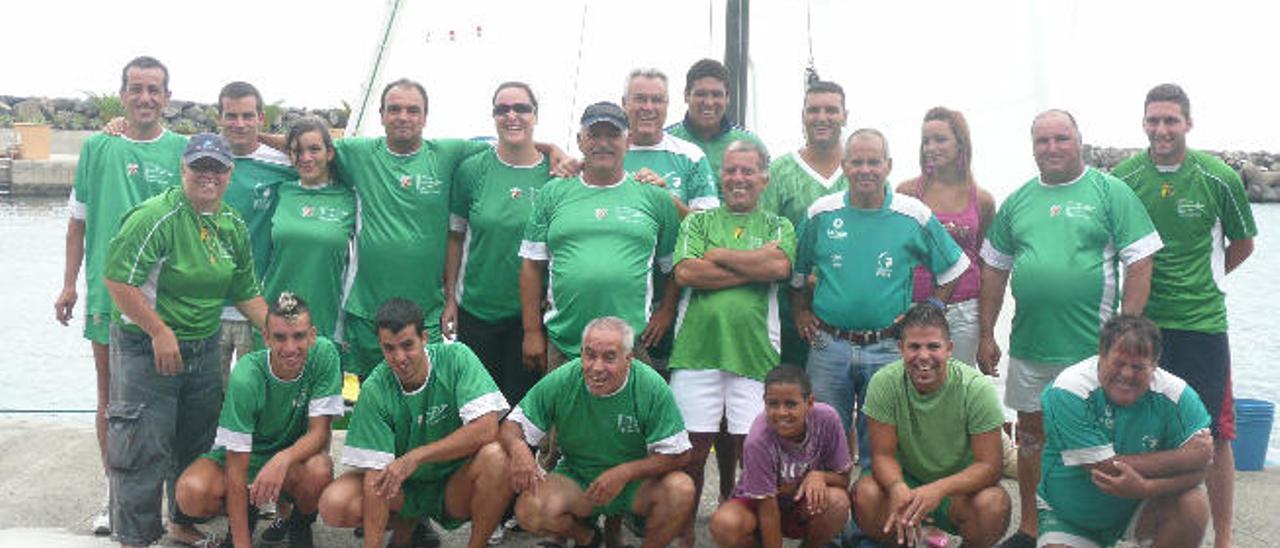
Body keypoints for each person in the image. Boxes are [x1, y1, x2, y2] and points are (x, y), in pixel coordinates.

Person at [979, 110, 1163, 548]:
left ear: (1079, 141)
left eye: (1062, 138)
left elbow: (1140, 261)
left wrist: (1124, 332)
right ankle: (1031, 525)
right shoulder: (1019, 200)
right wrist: (986, 334)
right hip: (1030, 345)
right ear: (1032, 146)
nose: (1052, 148)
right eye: (1042, 141)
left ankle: (1103, 529)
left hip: (1093, 348)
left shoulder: (1109, 191)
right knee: (1030, 439)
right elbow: (993, 269)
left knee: (1102, 439)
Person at [102, 133, 268, 547]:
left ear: (230, 173)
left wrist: (281, 332)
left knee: (195, 442)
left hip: (203, 347)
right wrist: (159, 331)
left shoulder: (231, 224)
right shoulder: (156, 215)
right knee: (143, 446)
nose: (208, 176)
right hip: (146, 346)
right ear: (183, 169)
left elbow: (246, 291)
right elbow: (117, 280)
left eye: (217, 168)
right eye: (200, 167)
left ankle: (180, 521)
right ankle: (135, 536)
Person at [1110, 83, 1257, 548]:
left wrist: (1206, 283)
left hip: (1202, 323)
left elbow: (1243, 243)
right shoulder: (1126, 178)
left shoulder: (1218, 178)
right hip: (1143, 324)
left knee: (1213, 432)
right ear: (1143, 123)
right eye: (1153, 120)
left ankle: (1225, 536)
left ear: (1188, 123)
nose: (1161, 129)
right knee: (1141, 423)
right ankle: (1139, 520)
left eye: (1171, 120)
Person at [53, 55, 187, 535]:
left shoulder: (185, 150)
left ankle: (177, 507)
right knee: (113, 402)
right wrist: (69, 283)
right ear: (123, 95)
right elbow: (77, 222)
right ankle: (115, 498)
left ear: (168, 98)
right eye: (136, 88)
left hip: (171, 304)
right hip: (107, 299)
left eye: (154, 89)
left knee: (174, 405)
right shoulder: (96, 148)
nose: (145, 97)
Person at [792, 129, 969, 466]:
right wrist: (800, 310)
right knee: (821, 444)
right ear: (844, 166)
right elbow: (797, 273)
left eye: (874, 162)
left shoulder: (912, 214)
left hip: (888, 346)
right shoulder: (821, 213)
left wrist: (930, 308)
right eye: (856, 162)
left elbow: (954, 267)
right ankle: (828, 514)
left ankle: (873, 517)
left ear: (888, 166)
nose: (865, 170)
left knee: (882, 448)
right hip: (828, 344)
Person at [668, 141, 795, 546]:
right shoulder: (697, 223)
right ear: (721, 175)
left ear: (763, 178)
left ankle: (751, 531)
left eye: (747, 171)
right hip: (695, 351)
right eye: (731, 171)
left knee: (753, 450)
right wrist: (752, 266)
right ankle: (685, 533)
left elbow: (779, 266)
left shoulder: (779, 226)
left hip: (756, 354)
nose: (738, 179)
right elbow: (687, 273)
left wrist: (719, 255)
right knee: (690, 452)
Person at [318, 298, 512, 548]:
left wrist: (417, 456)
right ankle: (405, 531)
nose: (400, 358)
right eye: (389, 348)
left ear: (425, 337)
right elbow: (375, 478)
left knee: (496, 457)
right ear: (381, 346)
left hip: (454, 484)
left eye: (407, 345)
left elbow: (487, 429)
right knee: (335, 504)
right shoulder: (375, 387)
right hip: (402, 488)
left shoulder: (457, 357)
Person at [501, 317, 696, 548]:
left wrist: (624, 472)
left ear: (628, 359)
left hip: (634, 483)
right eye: (590, 355)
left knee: (681, 490)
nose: (597, 367)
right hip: (579, 477)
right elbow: (511, 425)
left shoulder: (651, 386)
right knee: (529, 510)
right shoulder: (564, 378)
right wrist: (519, 449)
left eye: (609, 357)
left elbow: (680, 454)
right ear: (581, 353)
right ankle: (589, 538)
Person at [518, 102, 681, 370]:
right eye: (594, 134)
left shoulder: (655, 197)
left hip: (630, 346)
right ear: (580, 141)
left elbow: (674, 266)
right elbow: (531, 265)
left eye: (613, 135)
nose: (603, 143)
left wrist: (666, 311)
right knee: (561, 413)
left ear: (628, 142)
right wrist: (532, 332)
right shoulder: (553, 192)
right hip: (565, 343)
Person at [174, 293, 341, 548]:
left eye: (298, 336)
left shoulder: (325, 355)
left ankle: (299, 524)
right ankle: (242, 518)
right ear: (266, 338)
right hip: (243, 458)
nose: (290, 348)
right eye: (280, 337)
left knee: (320, 470)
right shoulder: (246, 376)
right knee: (190, 493)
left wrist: (281, 460)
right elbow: (236, 462)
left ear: (312, 334)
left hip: (291, 459)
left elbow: (319, 433)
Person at [1037, 315, 1212, 548]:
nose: (1127, 374)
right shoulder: (1069, 389)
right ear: (1101, 353)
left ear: (1155, 363)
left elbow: (1201, 470)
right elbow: (1103, 467)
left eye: (1138, 367)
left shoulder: (1177, 395)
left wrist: (1148, 488)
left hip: (1140, 509)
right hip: (1069, 515)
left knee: (1193, 504)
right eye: (1119, 363)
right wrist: (1185, 457)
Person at [852, 304, 1010, 547]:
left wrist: (938, 490)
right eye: (914, 346)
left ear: (949, 349)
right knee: (865, 493)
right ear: (901, 349)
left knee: (994, 504)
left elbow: (990, 466)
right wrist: (896, 487)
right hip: (907, 480)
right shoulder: (883, 382)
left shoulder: (976, 389)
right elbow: (882, 455)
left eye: (933, 346)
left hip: (957, 489)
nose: (923, 356)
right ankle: (907, 541)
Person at [442, 81, 553, 407]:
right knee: (479, 414)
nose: (512, 116)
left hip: (531, 318)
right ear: (493, 117)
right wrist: (450, 298)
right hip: (477, 311)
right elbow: (455, 237)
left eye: (521, 108)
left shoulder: (556, 172)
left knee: (522, 418)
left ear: (536, 115)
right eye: (502, 109)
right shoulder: (472, 169)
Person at [759, 80, 849, 370]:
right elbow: (764, 240)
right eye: (814, 110)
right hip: (788, 316)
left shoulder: (863, 170)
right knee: (789, 405)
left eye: (831, 110)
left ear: (845, 115)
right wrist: (805, 279)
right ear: (803, 115)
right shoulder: (779, 172)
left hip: (848, 315)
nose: (822, 117)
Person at [708, 366, 852, 548]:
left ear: (810, 403)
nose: (782, 412)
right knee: (726, 523)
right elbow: (768, 510)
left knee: (837, 501)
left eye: (791, 404)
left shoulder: (827, 419)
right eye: (773, 404)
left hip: (800, 505)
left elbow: (844, 478)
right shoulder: (758, 440)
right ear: (764, 402)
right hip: (759, 504)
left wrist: (820, 476)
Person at [894, 107, 995, 366]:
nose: (930, 147)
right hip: (914, 307)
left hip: (964, 310)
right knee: (913, 383)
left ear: (960, 143)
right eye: (926, 141)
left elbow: (985, 266)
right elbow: (896, 254)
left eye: (940, 139)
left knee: (958, 384)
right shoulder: (906, 192)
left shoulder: (981, 200)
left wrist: (987, 334)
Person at [213, 81, 297, 381]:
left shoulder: (283, 163)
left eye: (248, 116)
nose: (239, 124)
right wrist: (118, 124)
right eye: (231, 116)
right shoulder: (203, 161)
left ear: (261, 118)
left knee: (258, 396)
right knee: (207, 403)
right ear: (219, 117)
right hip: (209, 309)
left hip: (259, 308)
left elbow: (324, 152)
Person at [261, 116, 355, 342]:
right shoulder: (281, 191)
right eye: (297, 151)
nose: (306, 158)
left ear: (330, 153)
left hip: (325, 322)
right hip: (275, 320)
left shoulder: (350, 198)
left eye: (314, 149)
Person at [622, 67, 719, 219]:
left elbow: (709, 229)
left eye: (657, 100)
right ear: (624, 103)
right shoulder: (607, 154)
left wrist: (667, 199)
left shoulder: (692, 156)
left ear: (667, 104)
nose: (648, 107)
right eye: (640, 99)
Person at [665, 58, 768, 193]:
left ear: (728, 98)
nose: (709, 102)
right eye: (701, 94)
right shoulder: (666, 141)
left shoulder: (752, 144)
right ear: (686, 95)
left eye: (716, 95)